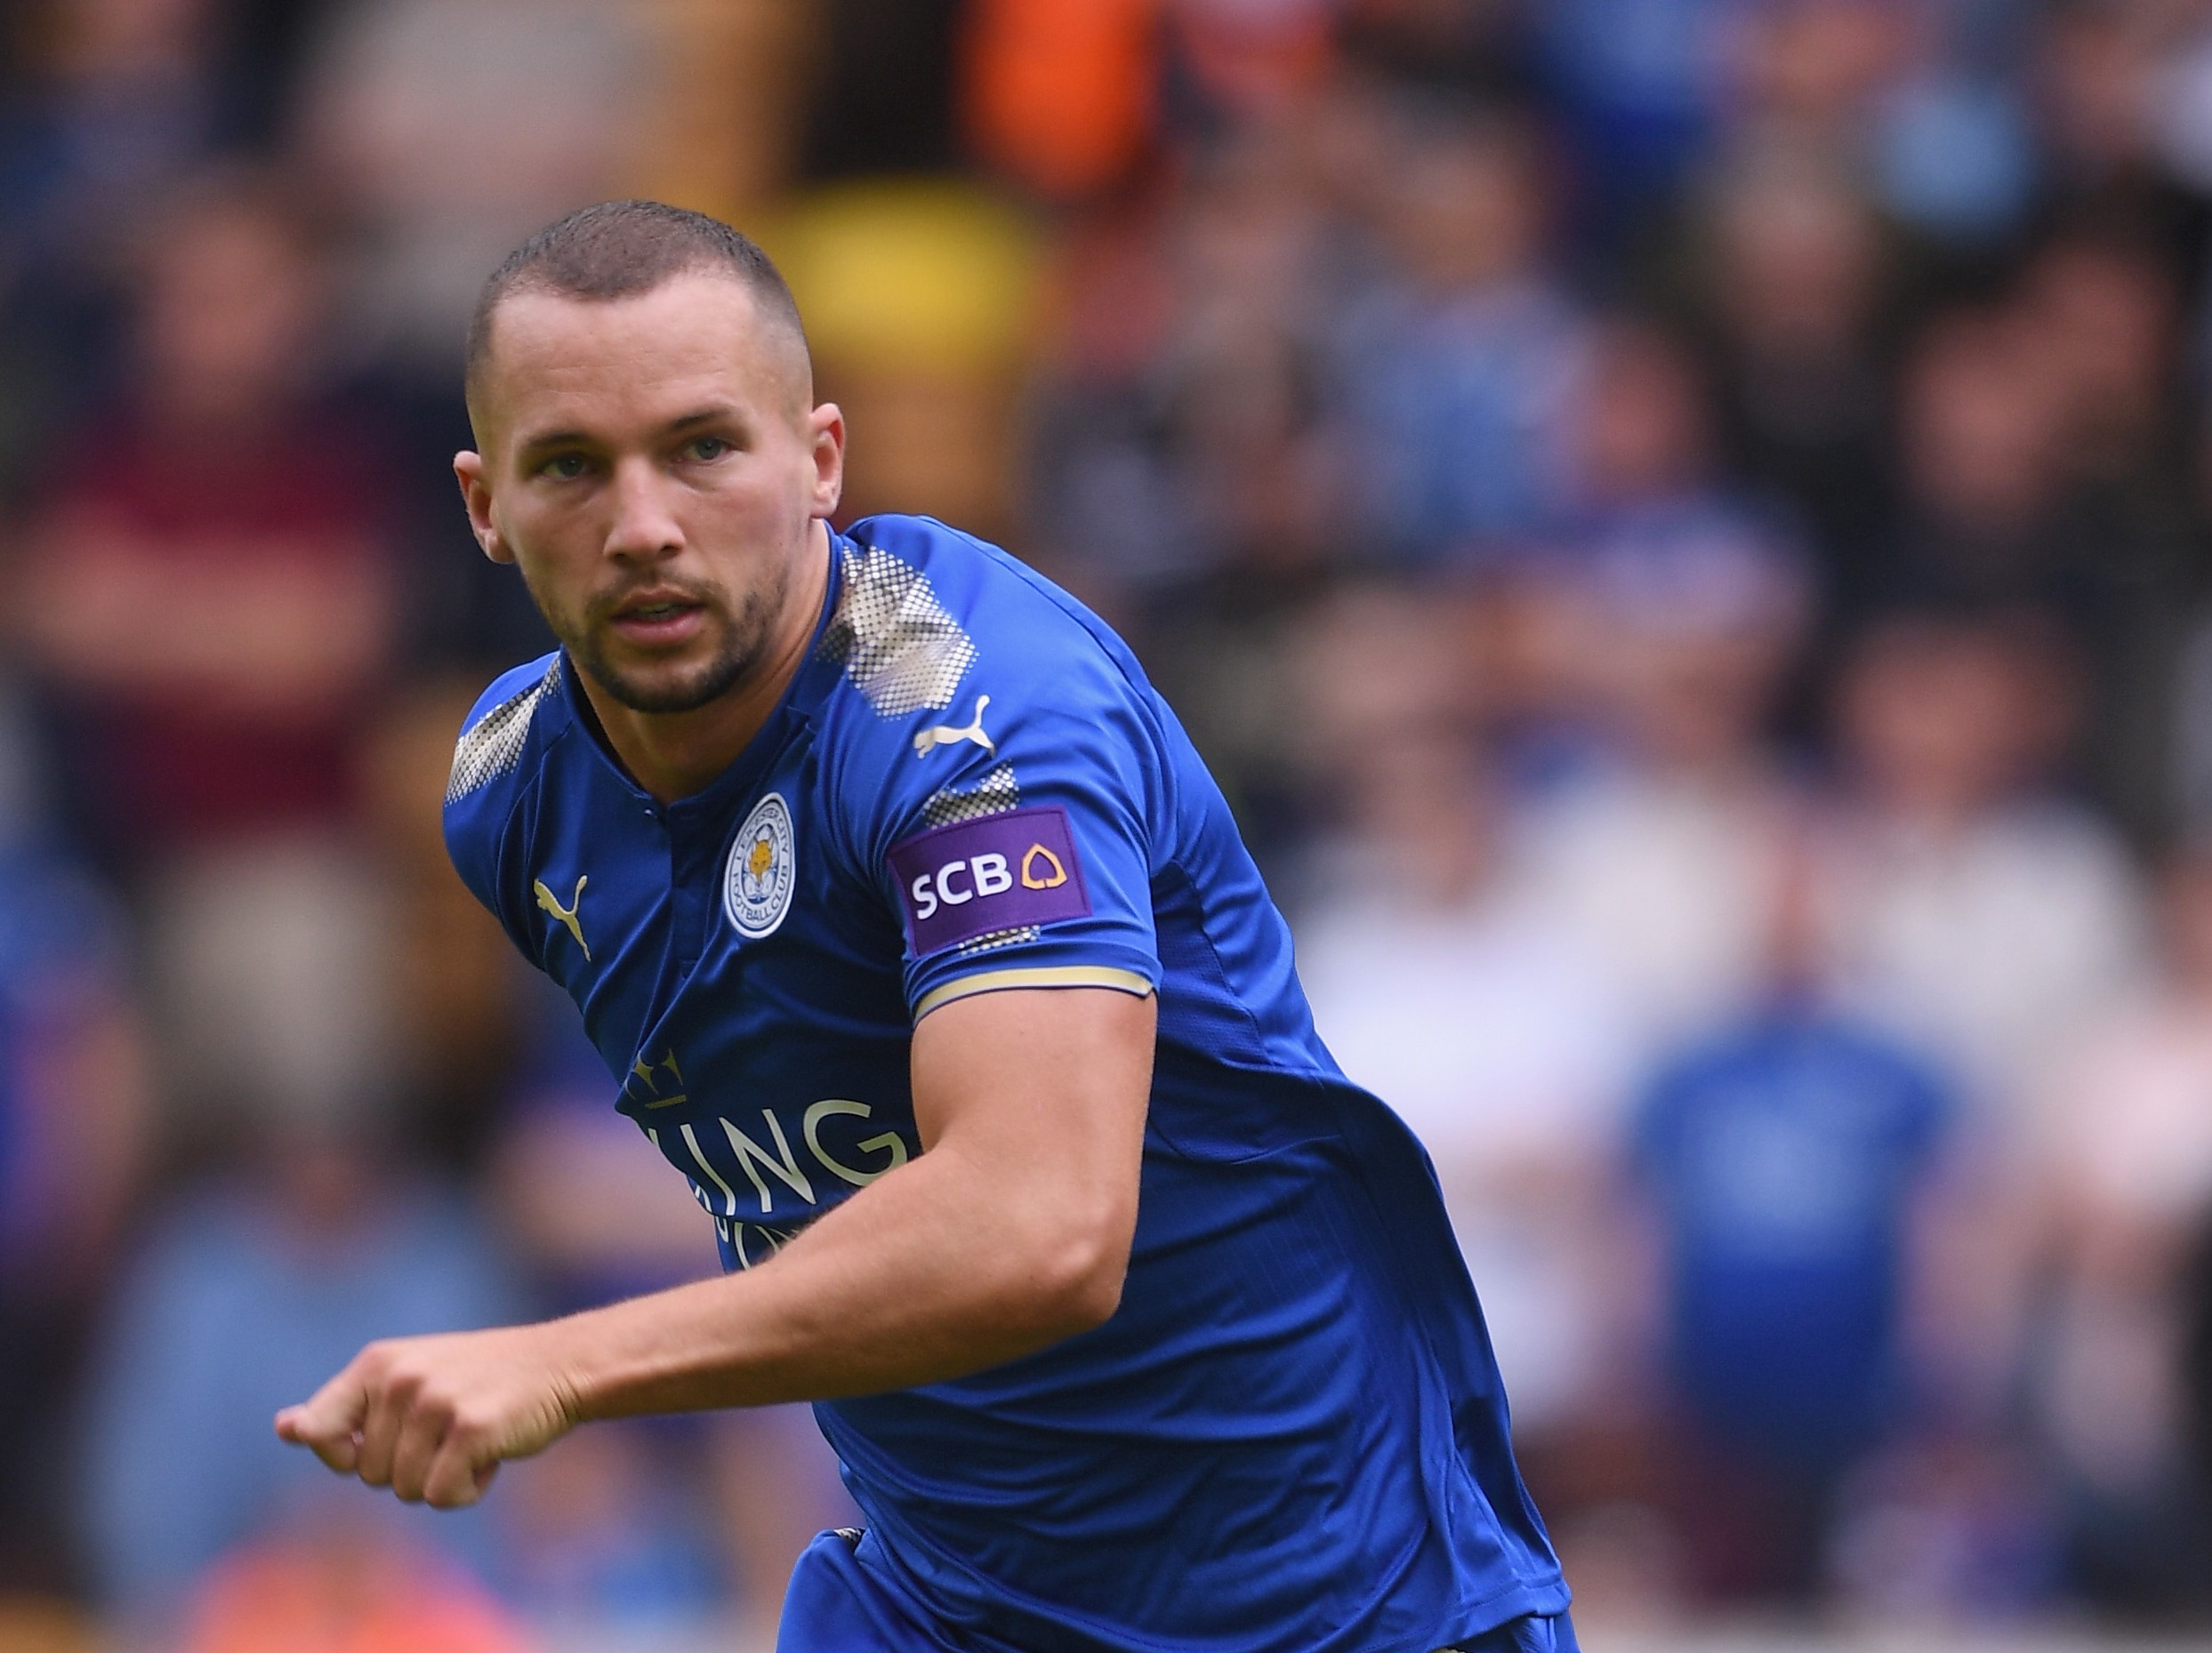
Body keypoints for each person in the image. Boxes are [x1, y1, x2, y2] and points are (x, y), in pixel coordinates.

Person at [272, 200, 1572, 1653]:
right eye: (571, 465)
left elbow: (1039, 1228)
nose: (643, 527)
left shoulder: (973, 713)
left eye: (703, 448)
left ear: (819, 462)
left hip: (1330, 1602)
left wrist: (567, 1366)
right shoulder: (509, 801)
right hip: (945, 1603)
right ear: (484, 506)